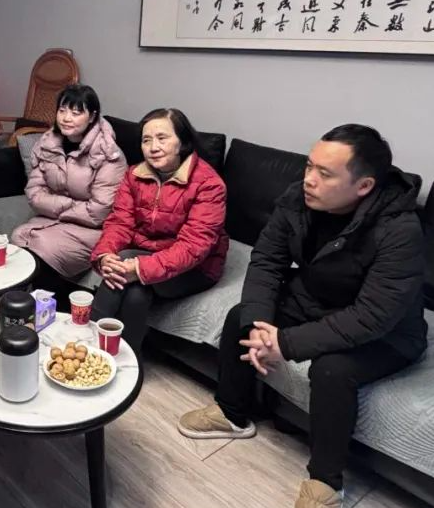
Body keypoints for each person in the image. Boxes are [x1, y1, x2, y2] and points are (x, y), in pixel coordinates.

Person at [178, 125, 428, 508]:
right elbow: (267, 260)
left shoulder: (400, 230)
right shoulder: (299, 198)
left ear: (363, 186)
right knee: (241, 316)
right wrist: (260, 324)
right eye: (309, 166)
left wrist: (286, 343)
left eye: (324, 174)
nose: (309, 179)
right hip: (315, 296)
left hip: (390, 331)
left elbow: (373, 316)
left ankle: (326, 481)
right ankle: (232, 412)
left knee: (332, 370)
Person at [89, 108, 228, 353]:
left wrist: (140, 269)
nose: (153, 147)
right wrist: (104, 255)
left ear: (182, 142)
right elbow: (120, 222)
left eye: (162, 138)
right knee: (128, 281)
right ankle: (122, 359)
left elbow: (194, 247)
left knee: (131, 280)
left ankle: (90, 346)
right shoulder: (134, 175)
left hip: (197, 266)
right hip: (147, 253)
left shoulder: (210, 184)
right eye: (146, 140)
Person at [11, 84, 128, 306]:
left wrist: (55, 205)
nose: (66, 118)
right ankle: (24, 312)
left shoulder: (108, 155)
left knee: (44, 252)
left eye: (76, 113)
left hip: (90, 231)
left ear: (92, 116)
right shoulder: (47, 144)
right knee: (18, 240)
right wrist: (70, 205)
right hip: (50, 221)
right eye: (62, 110)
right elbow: (34, 194)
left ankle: (49, 314)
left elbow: (99, 212)